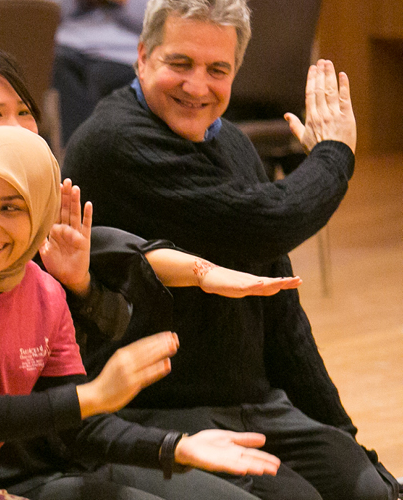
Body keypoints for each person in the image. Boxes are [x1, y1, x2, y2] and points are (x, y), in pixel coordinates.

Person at [0, 43, 303, 500]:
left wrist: (176, 446)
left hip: (70, 442)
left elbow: (100, 260)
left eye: (24, 111)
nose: (18, 129)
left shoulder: (37, 267)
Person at [0, 126, 282, 500]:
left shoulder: (45, 292)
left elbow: (79, 430)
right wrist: (96, 393)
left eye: (10, 207)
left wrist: (176, 446)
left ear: (40, 214)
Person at [62, 0, 398, 498]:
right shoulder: (112, 143)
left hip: (255, 404)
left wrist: (343, 436)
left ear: (236, 73)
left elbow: (283, 316)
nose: (197, 86)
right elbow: (271, 221)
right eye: (180, 63)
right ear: (141, 57)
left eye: (217, 69)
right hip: (150, 414)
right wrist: (335, 155)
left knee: (371, 490)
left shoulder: (234, 146)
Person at [51, 0, 147, 145]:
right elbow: (43, 12)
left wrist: (122, 3)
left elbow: (160, 22)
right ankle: (72, 152)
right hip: (68, 45)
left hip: (123, 52)